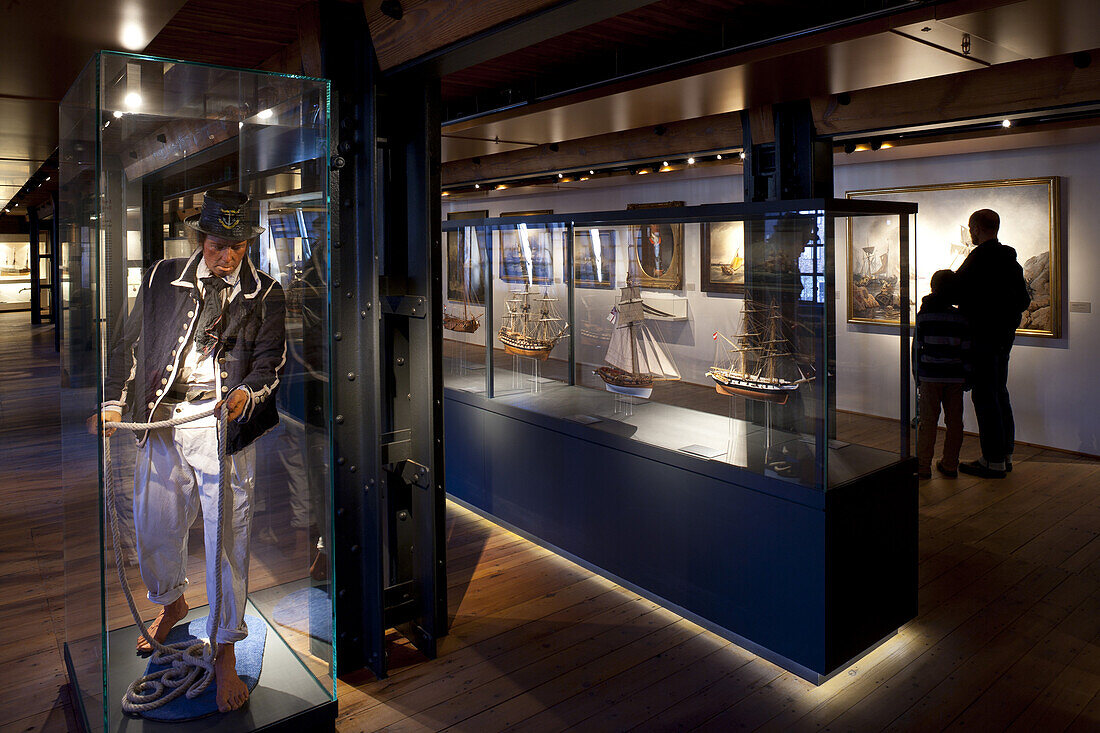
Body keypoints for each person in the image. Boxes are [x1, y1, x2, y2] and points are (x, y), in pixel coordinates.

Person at [97, 190, 286, 712]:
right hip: (161, 417)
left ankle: (224, 646)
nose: (226, 256)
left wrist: (246, 396)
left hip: (221, 426)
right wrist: (115, 403)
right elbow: (129, 343)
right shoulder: (161, 276)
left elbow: (269, 363)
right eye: (218, 244)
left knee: (228, 539)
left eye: (237, 246)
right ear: (200, 238)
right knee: (153, 522)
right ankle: (171, 601)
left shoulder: (267, 293)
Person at [954, 208, 1030, 478]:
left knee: (985, 395)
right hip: (1003, 338)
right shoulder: (1010, 259)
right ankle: (1004, 455)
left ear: (975, 228)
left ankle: (993, 460)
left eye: (971, 228)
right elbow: (1023, 301)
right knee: (999, 392)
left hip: (982, 337)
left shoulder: (979, 259)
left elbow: (954, 289)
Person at [913, 269, 970, 479]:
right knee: (955, 423)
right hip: (954, 377)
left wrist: (917, 377)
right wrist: (966, 376)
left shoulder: (925, 315)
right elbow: (966, 350)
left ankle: (923, 467)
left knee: (927, 422)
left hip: (929, 376)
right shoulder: (960, 318)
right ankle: (950, 464)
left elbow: (917, 348)